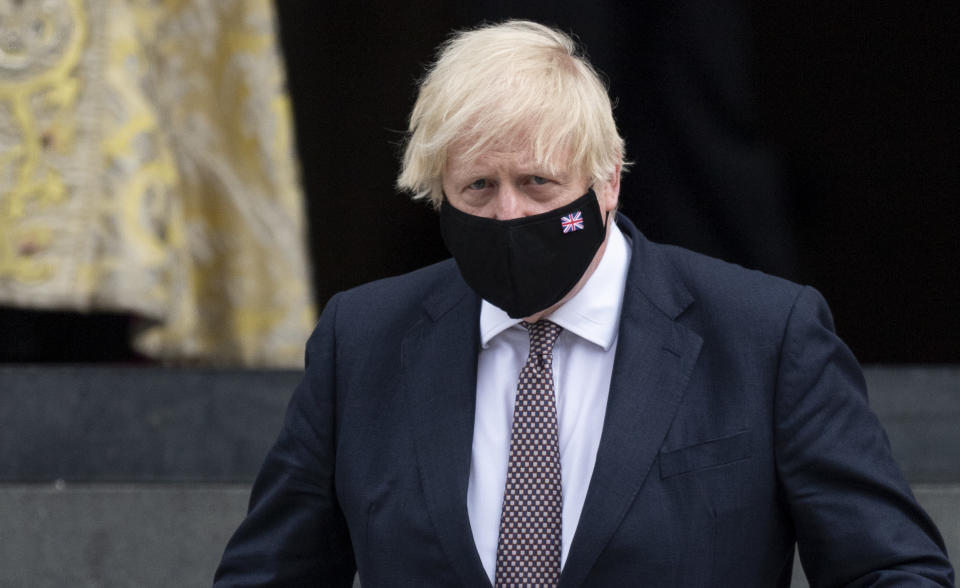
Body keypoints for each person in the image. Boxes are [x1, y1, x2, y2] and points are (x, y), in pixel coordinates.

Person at [214, 20, 953, 587]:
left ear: (607, 184)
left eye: (539, 184)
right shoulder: (363, 340)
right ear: (438, 195)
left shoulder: (763, 336)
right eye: (477, 188)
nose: (508, 215)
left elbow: (890, 569)